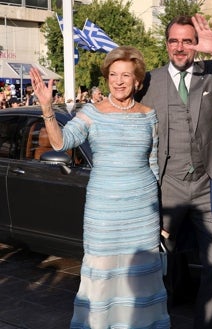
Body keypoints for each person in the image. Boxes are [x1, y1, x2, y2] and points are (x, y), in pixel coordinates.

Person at [30, 45, 170, 329]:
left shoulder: (148, 115)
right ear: (107, 78)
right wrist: (47, 108)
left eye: (126, 75)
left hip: (142, 212)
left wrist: (160, 217)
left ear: (137, 81)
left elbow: (153, 165)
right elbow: (61, 143)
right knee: (103, 276)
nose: (118, 81)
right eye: (113, 74)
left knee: (140, 279)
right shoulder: (92, 113)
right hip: (104, 211)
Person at [136, 14, 212, 329]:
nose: (180, 47)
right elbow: (121, 106)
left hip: (208, 185)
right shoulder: (149, 81)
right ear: (166, 44)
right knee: (164, 259)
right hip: (167, 185)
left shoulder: (210, 73)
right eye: (174, 40)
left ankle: (206, 323)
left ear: (196, 45)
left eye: (187, 41)